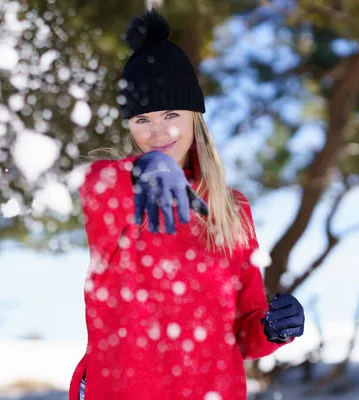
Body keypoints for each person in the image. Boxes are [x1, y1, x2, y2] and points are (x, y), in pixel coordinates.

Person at [69, 9, 305, 400]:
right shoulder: (116, 186)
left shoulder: (232, 209)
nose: (157, 132)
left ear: (195, 116)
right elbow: (98, 186)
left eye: (172, 114)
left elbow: (243, 335)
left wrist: (271, 327)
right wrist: (143, 172)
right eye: (142, 119)